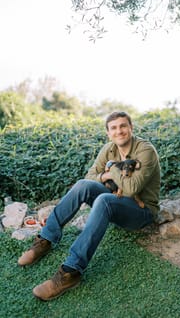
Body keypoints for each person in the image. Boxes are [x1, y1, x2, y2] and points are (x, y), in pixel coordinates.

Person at [18, 111, 161, 301]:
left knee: (104, 200)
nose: (119, 131)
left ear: (131, 128)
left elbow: (131, 187)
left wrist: (112, 168)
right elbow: (90, 176)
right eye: (114, 128)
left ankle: (71, 272)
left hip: (141, 211)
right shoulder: (109, 149)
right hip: (115, 202)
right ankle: (45, 239)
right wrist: (108, 174)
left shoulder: (145, 150)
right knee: (82, 185)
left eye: (123, 126)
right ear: (108, 133)